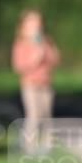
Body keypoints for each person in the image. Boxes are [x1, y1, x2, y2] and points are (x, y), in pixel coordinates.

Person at [12, 10, 60, 153]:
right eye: (32, 22)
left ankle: (47, 144)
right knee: (33, 115)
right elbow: (18, 66)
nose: (36, 26)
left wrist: (46, 49)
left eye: (38, 22)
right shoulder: (21, 43)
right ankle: (29, 145)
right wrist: (35, 58)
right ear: (24, 26)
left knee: (46, 115)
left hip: (46, 84)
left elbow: (55, 60)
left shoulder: (45, 40)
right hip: (30, 85)